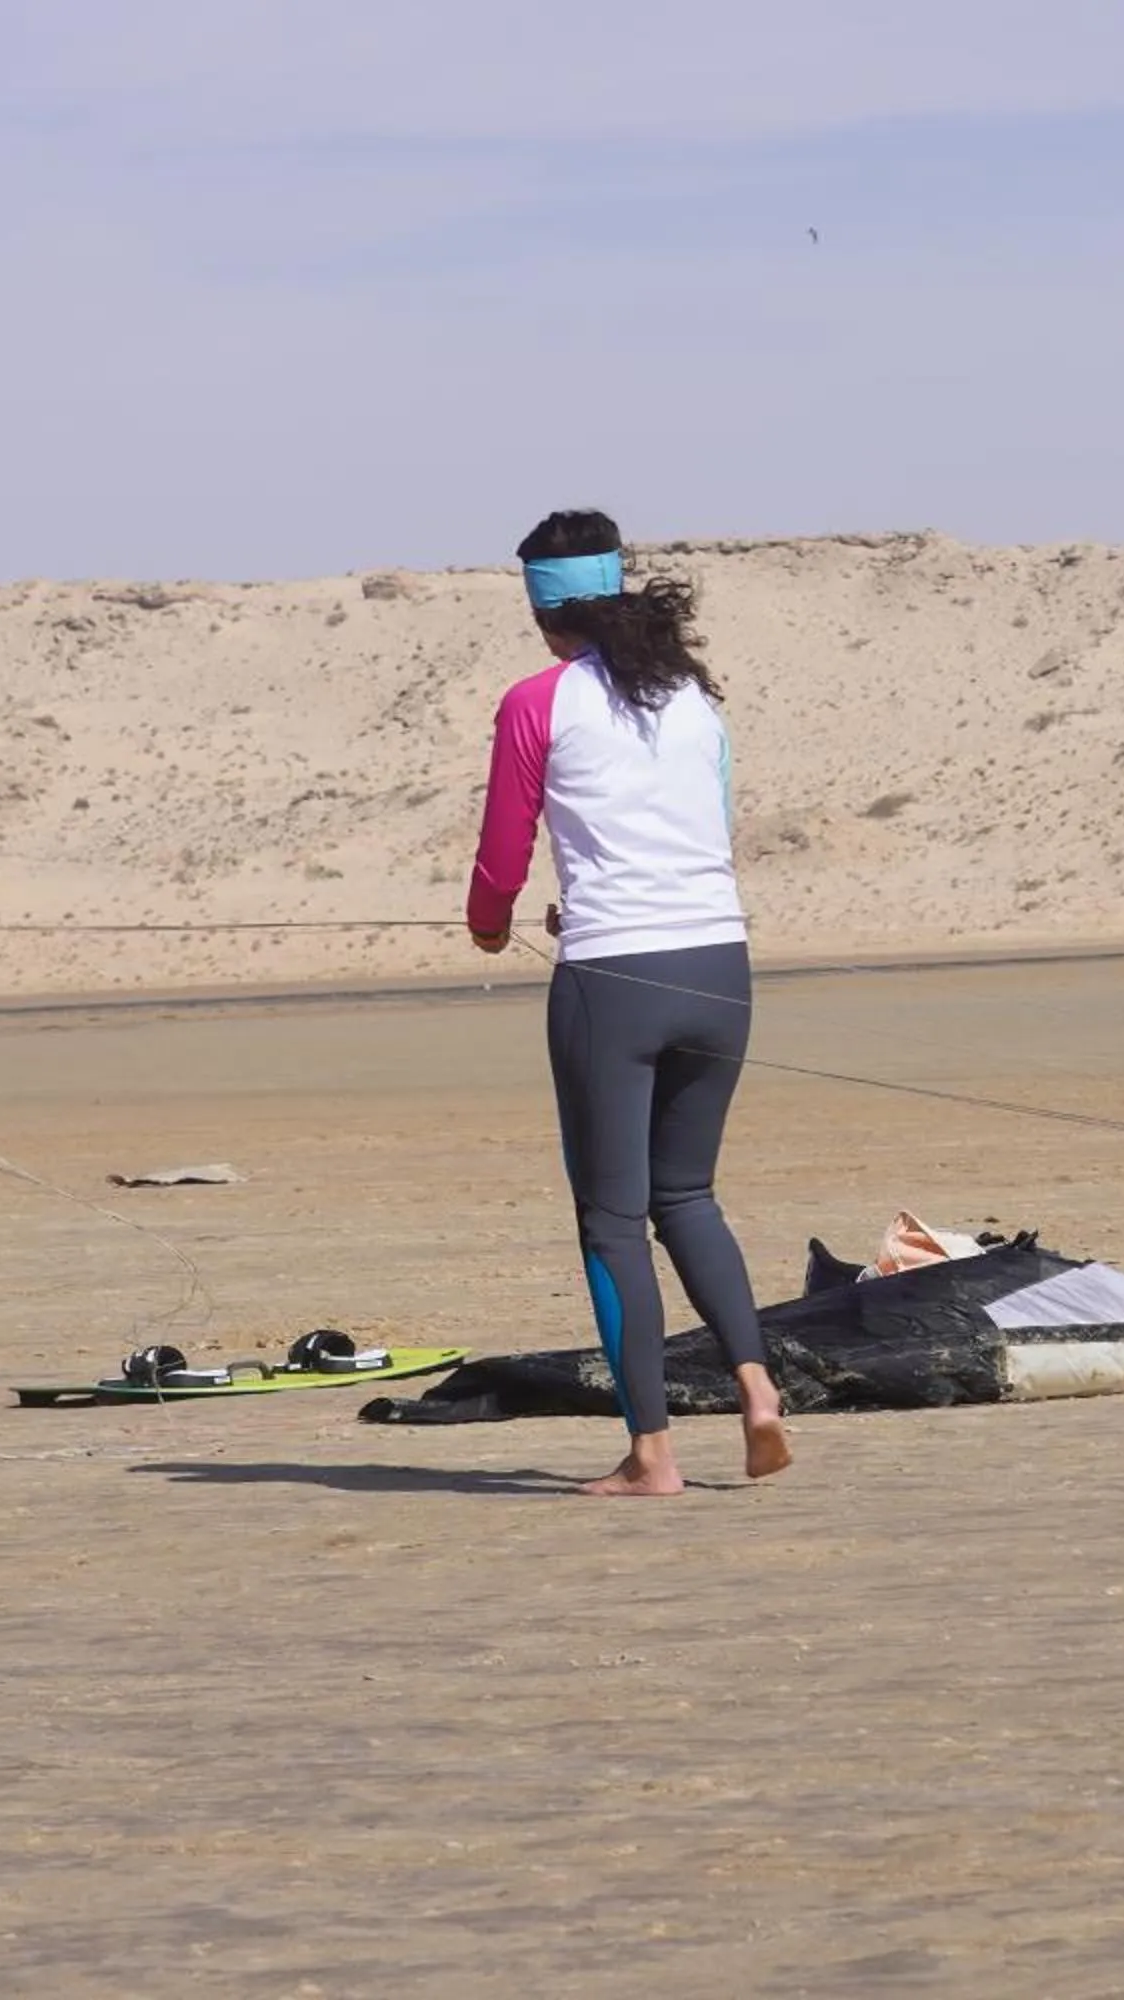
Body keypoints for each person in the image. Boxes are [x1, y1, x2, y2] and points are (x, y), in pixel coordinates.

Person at [466, 510, 791, 1496]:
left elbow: (501, 853)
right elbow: (708, 826)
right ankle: (758, 1386)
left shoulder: (537, 699)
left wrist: (489, 925)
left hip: (614, 981)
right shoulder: (692, 694)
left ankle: (652, 1452)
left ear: (541, 612)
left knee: (611, 1217)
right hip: (721, 967)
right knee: (686, 1194)